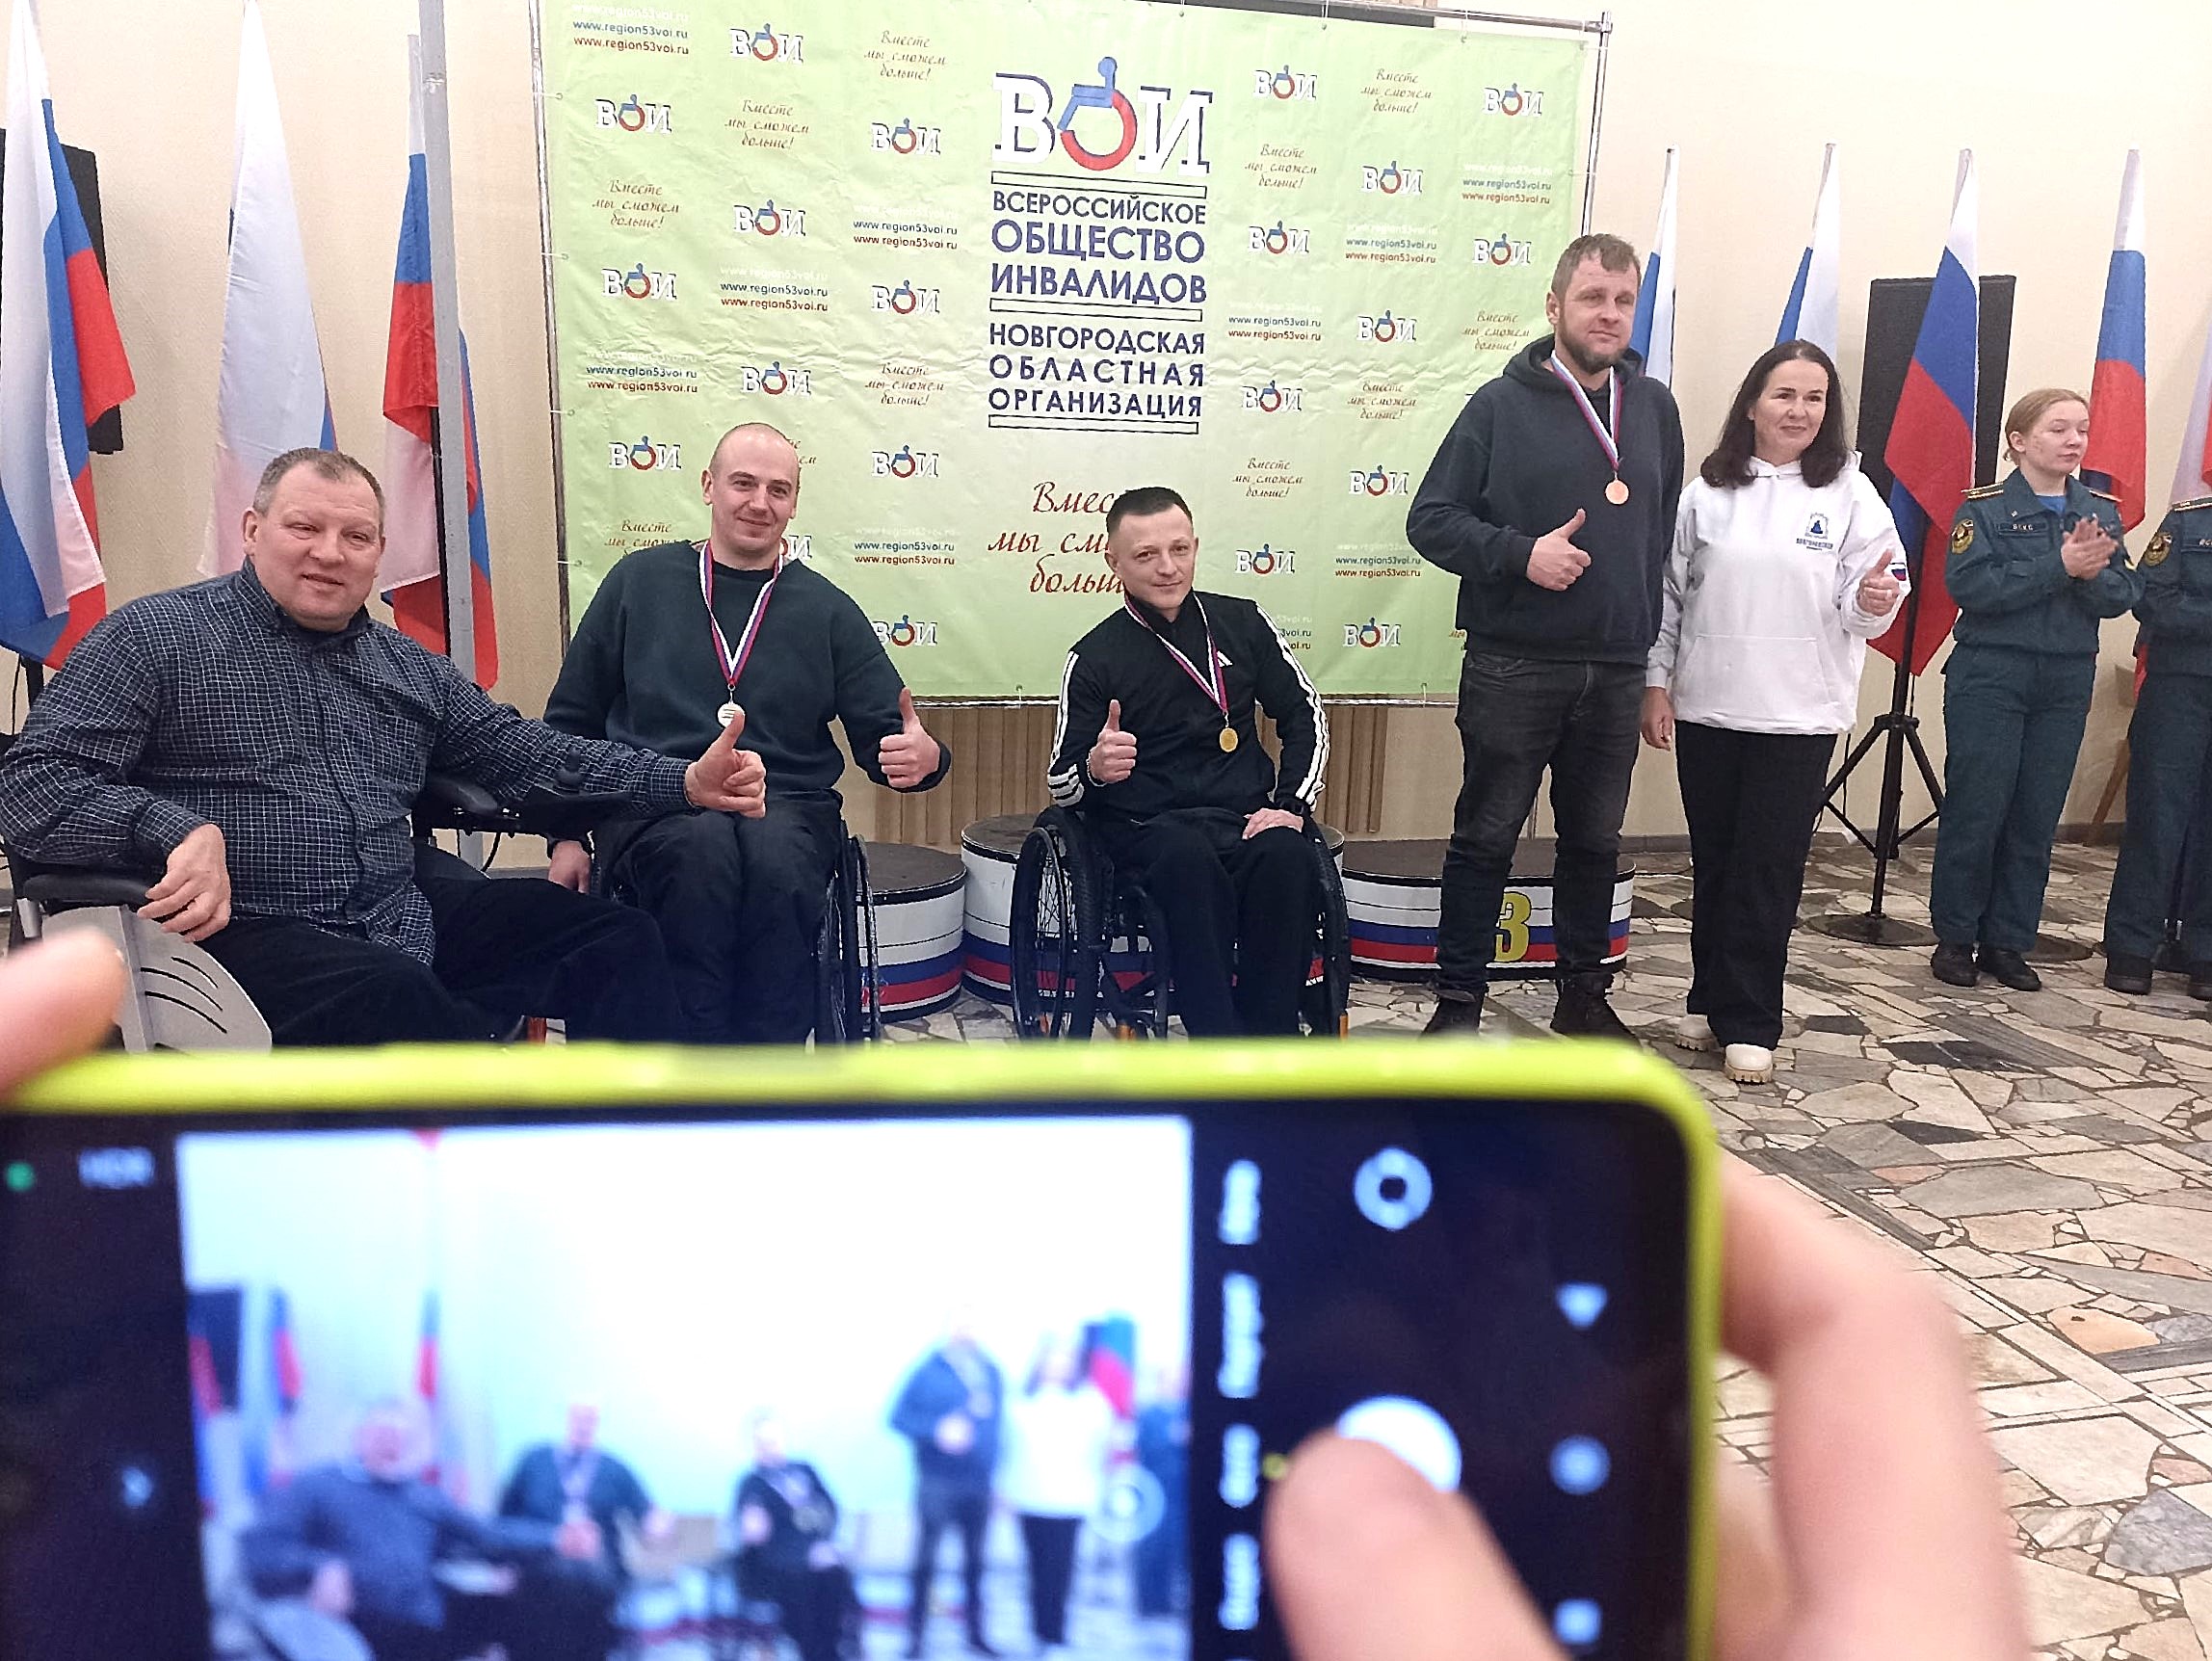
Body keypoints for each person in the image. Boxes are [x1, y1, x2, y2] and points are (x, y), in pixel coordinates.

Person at [0, 944, 2029, 1659]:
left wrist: (930, 1435)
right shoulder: (522, 1459)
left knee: (924, 1584)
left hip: (1016, 1506)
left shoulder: (998, 1362)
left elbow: (909, 1430)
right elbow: (572, 1507)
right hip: (838, 1516)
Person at [0, 447, 766, 1047]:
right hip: (237, 932)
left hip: (394, 911)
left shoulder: (409, 670)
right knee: (401, 1001)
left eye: (355, 536)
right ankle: (481, 1177)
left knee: (614, 941)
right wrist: (172, 829)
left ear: (379, 553)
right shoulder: (154, 639)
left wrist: (684, 782)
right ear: (252, 531)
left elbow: (527, 754)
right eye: (305, 528)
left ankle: (633, 1151)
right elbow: (32, 782)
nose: (330, 553)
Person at [543, 421, 951, 1042]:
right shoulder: (637, 582)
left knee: (776, 862)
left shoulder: (826, 609)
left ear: (794, 503)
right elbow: (570, 722)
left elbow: (891, 736)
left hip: (786, 804)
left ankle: (766, 1072)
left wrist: (924, 756)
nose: (760, 503)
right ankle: (693, 1067)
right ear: (708, 486)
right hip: (658, 796)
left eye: (778, 490)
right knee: (698, 853)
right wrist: (566, 836)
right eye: (743, 483)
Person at [1407, 233, 1686, 1039]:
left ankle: (1583, 999)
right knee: (1486, 838)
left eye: (1623, 300)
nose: (1609, 314)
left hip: (1617, 667)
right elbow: (1431, 520)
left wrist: (1653, 665)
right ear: (1555, 306)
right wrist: (1520, 554)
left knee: (1594, 841)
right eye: (1593, 297)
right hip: (1515, 665)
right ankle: (1458, 1004)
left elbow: (1660, 536)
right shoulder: (1498, 406)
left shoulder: (1655, 408)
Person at [1641, 341, 1907, 1084]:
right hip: (1709, 708)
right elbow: (1668, 596)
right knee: (1715, 863)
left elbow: (1871, 597)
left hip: (1798, 715)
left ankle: (1752, 1020)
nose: (1799, 411)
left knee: (1766, 870)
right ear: (1753, 404)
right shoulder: (1706, 493)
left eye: (1814, 398)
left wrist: (1873, 600)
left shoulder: (1852, 493)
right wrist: (1656, 684)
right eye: (1785, 395)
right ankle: (1707, 1002)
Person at [1043, 486, 1330, 1036]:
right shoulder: (1094, 656)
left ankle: (1271, 1039)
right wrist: (1095, 768)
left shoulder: (1244, 622)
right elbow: (1061, 783)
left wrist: (1291, 805)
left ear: (1195, 546)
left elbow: (1304, 714)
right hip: (1148, 829)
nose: (1168, 568)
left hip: (1243, 817)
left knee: (1287, 855)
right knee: (1187, 859)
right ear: (1114, 562)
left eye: (1179, 549)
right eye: (1146, 555)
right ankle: (1215, 1044)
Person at [1928, 390, 2140, 992]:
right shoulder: (1986, 509)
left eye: (2082, 430)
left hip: (2064, 678)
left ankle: (2008, 940)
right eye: (2058, 429)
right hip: (1993, 674)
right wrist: (2059, 567)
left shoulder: (2097, 510)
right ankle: (1956, 936)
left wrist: (2090, 575)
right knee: (1979, 807)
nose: (2074, 441)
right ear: (2019, 441)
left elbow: (2124, 595)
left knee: (2035, 813)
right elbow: (1972, 588)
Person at [241, 1400, 561, 1661]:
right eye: (382, 1434)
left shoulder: (422, 1495)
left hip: (422, 1625)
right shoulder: (316, 1486)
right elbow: (262, 1549)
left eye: (401, 1438)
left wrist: (555, 1538)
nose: (392, 1444)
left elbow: (486, 1533)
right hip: (346, 1627)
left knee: (530, 1612)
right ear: (359, 1437)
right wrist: (319, 1566)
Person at [2102, 494, 2212, 996]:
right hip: (2179, 684)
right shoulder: (2190, 522)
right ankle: (2132, 945)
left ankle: (2205, 950)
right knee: (2156, 814)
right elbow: (2149, 597)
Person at [496, 1403, 670, 1661]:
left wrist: (657, 1524)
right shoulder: (534, 1461)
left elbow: (646, 1513)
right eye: (577, 1417)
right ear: (565, 1419)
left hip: (596, 1574)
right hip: (539, 1564)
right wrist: (503, 1567)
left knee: (588, 1591)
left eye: (590, 1418)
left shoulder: (614, 1468)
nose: (583, 1424)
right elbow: (504, 1520)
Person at [890, 1311, 1007, 1657]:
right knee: (927, 1562)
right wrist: (936, 1430)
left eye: (972, 1325)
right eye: (960, 1325)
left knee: (976, 1562)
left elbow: (997, 1427)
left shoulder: (990, 1371)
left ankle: (976, 1634)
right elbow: (897, 1417)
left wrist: (997, 1477)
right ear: (948, 1329)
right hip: (938, 1482)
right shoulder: (927, 1372)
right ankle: (915, 1638)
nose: (966, 1332)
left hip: (979, 1484)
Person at [1001, 1338, 1118, 1656]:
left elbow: (1105, 1444)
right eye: (1052, 1361)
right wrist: (1004, 1489)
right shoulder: (1020, 1401)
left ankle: (1056, 1632)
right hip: (1029, 1495)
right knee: (1035, 1568)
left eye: (1064, 1362)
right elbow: (1007, 1448)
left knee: (1061, 1569)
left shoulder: (1090, 1401)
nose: (1057, 1367)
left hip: (1069, 1498)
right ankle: (1039, 1630)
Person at [732, 1410, 856, 1661]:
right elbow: (754, 1536)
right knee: (802, 1582)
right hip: (776, 1564)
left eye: (773, 1440)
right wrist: (753, 1527)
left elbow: (830, 1509)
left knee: (835, 1574)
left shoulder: (805, 1470)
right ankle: (814, 1653)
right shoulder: (751, 1482)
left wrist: (822, 1547)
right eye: (762, 1442)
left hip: (819, 1552)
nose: (769, 1447)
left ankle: (832, 1651)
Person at [1131, 1364, 1189, 1623]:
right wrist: (1172, 1438)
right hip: (1155, 1491)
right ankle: (1148, 1602)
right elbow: (1145, 1448)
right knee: (1152, 1549)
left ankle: (1170, 1601)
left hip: (1182, 1492)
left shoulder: (1189, 1410)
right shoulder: (1149, 1414)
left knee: (1177, 1548)